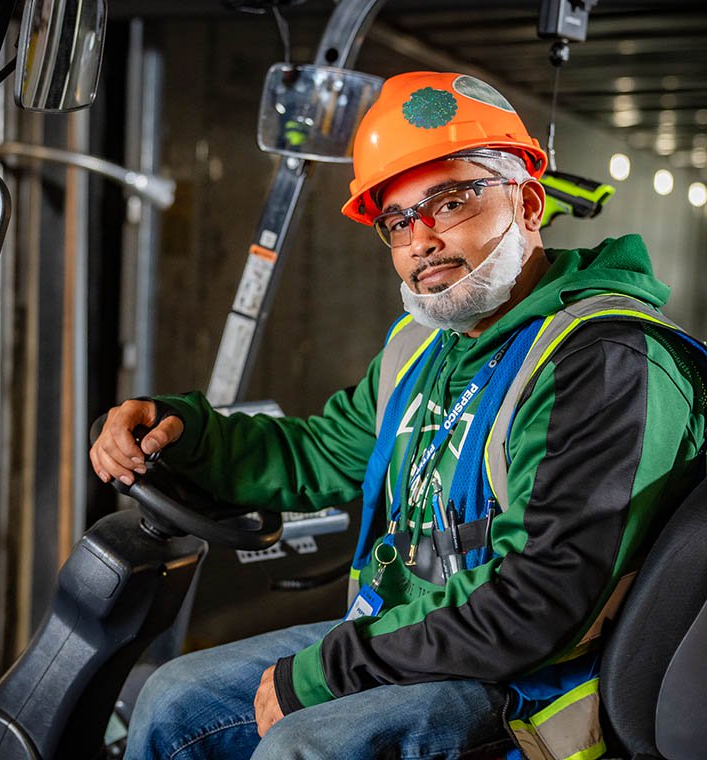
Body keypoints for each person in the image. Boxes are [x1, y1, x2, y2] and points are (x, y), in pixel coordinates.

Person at [90, 72, 706, 760]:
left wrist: (328, 668)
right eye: (398, 220)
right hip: (409, 633)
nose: (420, 240)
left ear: (528, 203)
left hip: (531, 685)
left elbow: (539, 597)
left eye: (449, 202)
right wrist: (181, 434)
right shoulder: (424, 347)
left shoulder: (605, 361)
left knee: (303, 748)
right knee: (173, 697)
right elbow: (320, 452)